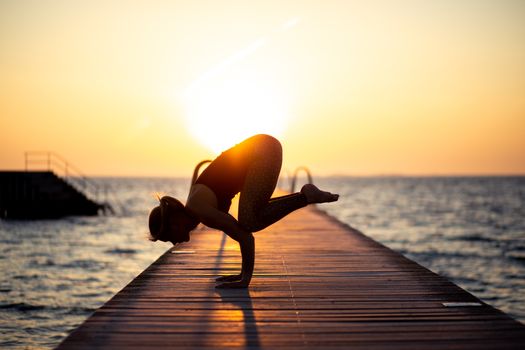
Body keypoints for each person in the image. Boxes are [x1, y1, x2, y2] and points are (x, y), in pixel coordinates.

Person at [148, 134, 339, 288]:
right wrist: (241, 273)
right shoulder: (196, 206)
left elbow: (245, 236)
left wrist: (245, 279)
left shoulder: (199, 208)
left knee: (249, 221)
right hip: (262, 149)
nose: (174, 242)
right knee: (251, 216)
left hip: (262, 151)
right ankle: (305, 196)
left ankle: (306, 196)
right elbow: (241, 232)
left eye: (169, 237)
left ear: (173, 222)